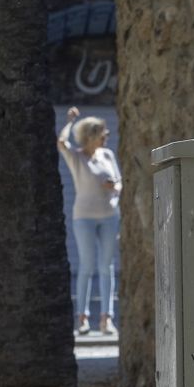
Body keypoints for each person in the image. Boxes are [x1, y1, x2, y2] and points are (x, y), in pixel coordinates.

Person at [58, 107, 122, 336]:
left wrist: (113, 189)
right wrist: (70, 121)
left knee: (107, 267)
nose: (107, 137)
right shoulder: (76, 157)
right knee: (86, 266)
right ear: (91, 136)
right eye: (103, 134)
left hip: (109, 217)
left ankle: (107, 318)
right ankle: (82, 318)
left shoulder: (108, 156)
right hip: (84, 217)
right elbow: (61, 142)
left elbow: (118, 182)